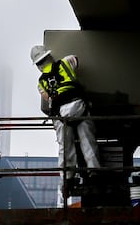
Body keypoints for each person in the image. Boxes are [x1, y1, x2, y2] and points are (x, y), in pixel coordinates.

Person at [31, 46, 100, 193]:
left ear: (38, 65)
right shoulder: (66, 62)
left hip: (61, 114)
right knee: (88, 141)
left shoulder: (41, 83)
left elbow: (48, 99)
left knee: (65, 147)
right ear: (49, 56)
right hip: (79, 106)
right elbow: (76, 59)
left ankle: (67, 179)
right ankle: (94, 173)